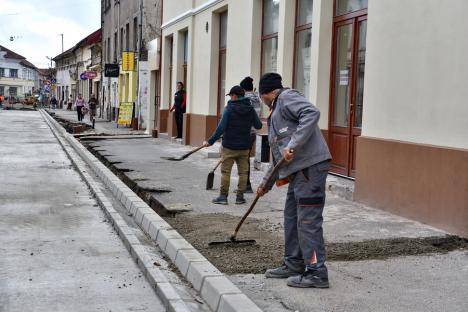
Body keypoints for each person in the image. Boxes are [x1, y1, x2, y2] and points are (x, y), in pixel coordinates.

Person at [256, 73, 332, 288]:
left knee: (307, 221)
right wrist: (265, 184)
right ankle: (294, 263)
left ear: (269, 92)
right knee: (291, 217)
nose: (262, 100)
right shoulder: (276, 113)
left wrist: (294, 145)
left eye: (262, 96)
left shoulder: (287, 97)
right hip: (298, 173)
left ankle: (317, 272)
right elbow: (278, 158)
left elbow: (312, 112)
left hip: (311, 169)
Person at [203, 85, 262, 205]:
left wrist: (210, 141)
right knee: (243, 173)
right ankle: (240, 197)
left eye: (230, 95)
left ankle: (223, 197)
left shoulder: (229, 108)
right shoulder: (250, 109)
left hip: (229, 146)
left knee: (226, 172)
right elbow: (259, 125)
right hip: (244, 147)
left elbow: (220, 128)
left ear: (234, 96)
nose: (230, 98)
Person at [239, 76, 262, 193]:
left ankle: (246, 186)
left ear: (243, 89)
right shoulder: (257, 99)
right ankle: (245, 185)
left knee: (243, 159)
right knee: (245, 158)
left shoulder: (246, 100)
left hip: (245, 132)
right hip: (253, 133)